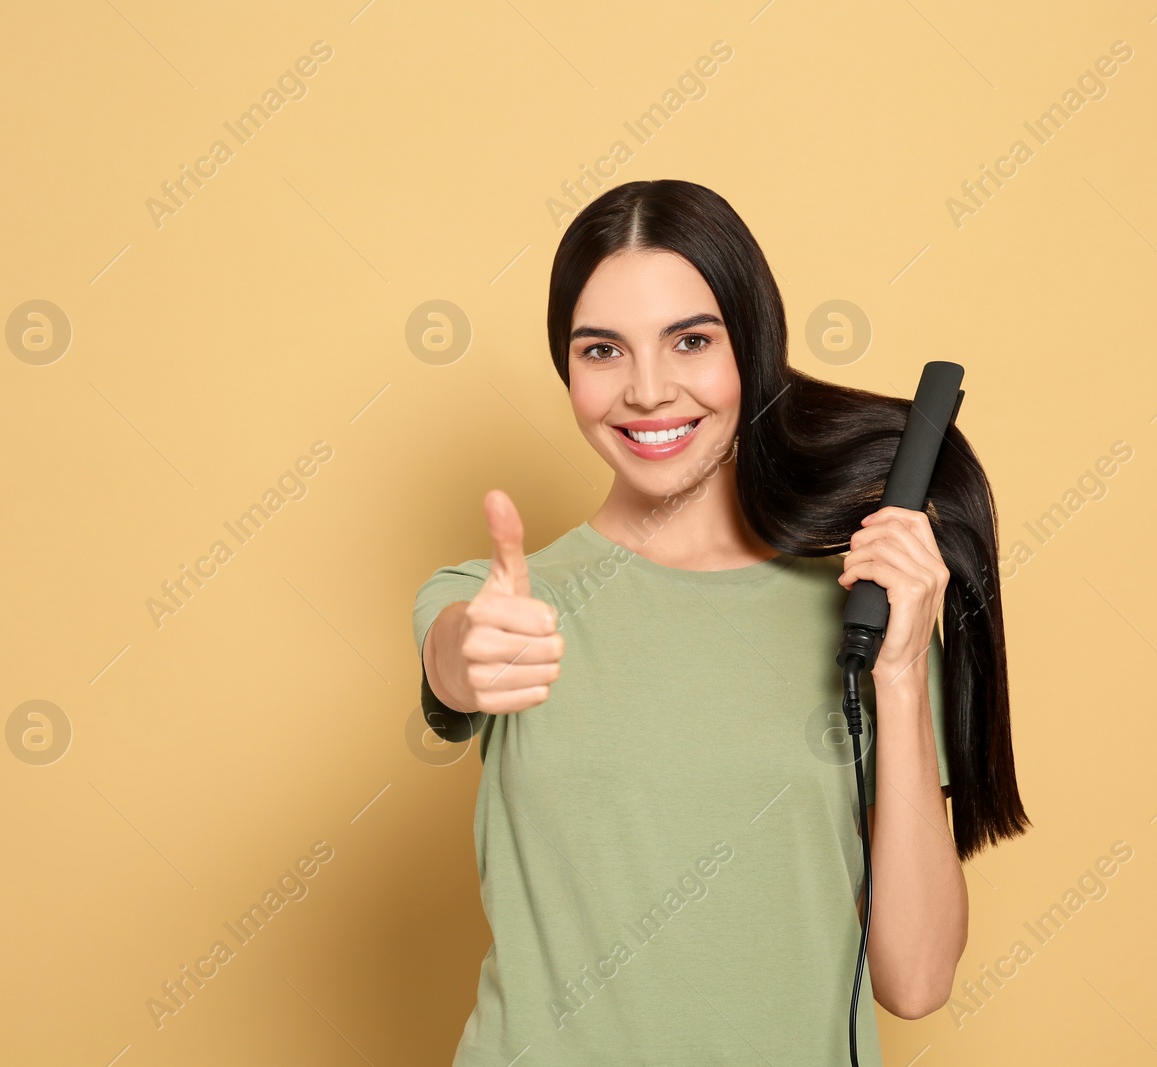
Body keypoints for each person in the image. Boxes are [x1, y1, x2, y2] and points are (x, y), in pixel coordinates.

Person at [412, 179, 1027, 1065]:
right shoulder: (499, 600)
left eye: (690, 341)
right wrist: (465, 654)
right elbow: (452, 656)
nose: (648, 390)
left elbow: (918, 980)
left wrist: (897, 673)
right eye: (602, 351)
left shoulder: (864, 619)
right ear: (567, 368)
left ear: (752, 348)